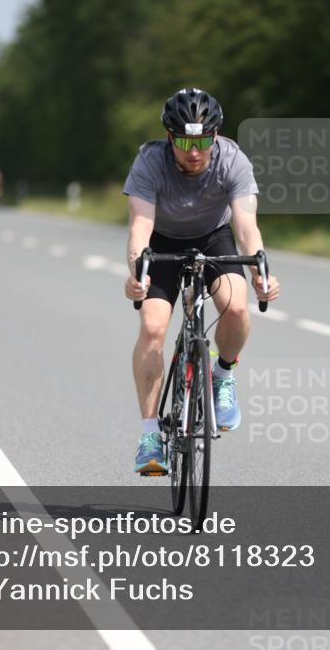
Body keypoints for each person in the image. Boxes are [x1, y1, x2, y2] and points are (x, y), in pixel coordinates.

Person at [123, 87, 280, 475]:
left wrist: (261, 274)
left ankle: (222, 375)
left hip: (213, 237)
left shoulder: (232, 160)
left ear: (215, 135)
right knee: (153, 328)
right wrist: (136, 273)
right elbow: (141, 226)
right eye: (184, 142)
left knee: (237, 306)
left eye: (203, 140)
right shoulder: (149, 161)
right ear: (169, 137)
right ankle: (148, 436)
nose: (194, 151)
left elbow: (246, 226)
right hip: (162, 241)